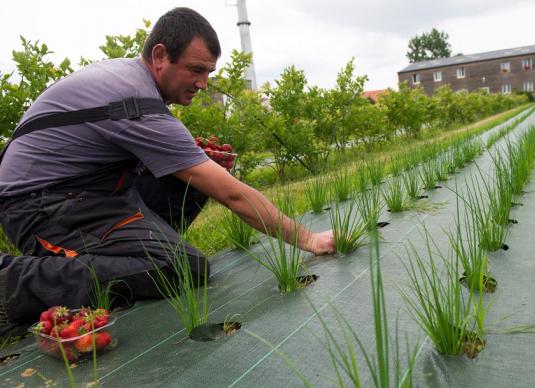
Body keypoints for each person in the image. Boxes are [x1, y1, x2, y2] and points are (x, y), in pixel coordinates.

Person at [0, 7, 334, 337]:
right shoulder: (135, 102)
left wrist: (188, 161)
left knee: (189, 182)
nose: (203, 83)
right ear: (160, 55)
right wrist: (309, 240)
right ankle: (12, 283)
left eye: (208, 72)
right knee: (182, 268)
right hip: (37, 206)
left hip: (84, 192)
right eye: (196, 70)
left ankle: (135, 261)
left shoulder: (129, 79)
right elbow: (232, 193)